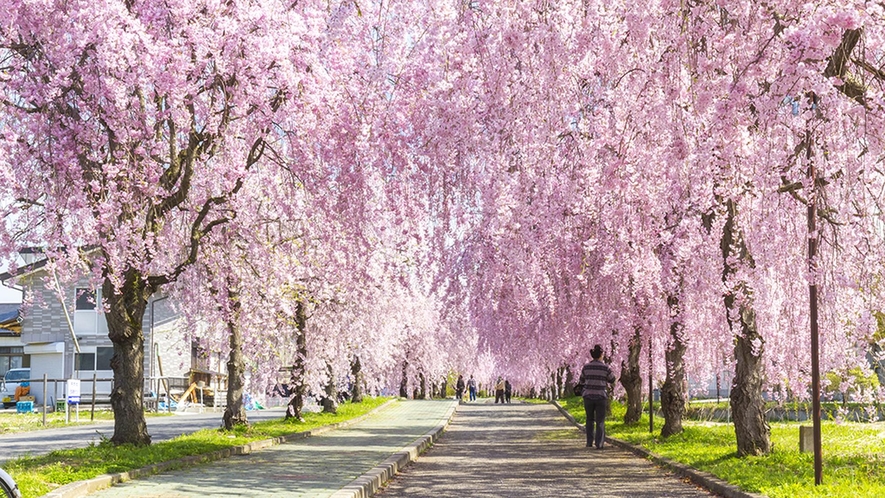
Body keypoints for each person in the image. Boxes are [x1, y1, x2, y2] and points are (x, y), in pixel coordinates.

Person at [577, 344, 616, 449]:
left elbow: (581, 380)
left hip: (588, 396)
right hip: (600, 396)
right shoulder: (605, 368)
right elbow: (612, 379)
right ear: (601, 354)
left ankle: (589, 442)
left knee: (589, 419)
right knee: (600, 420)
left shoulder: (586, 367)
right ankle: (599, 444)